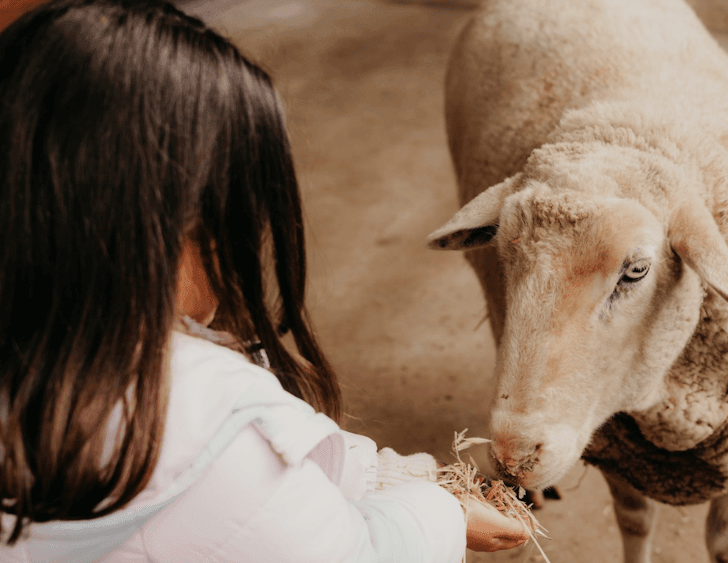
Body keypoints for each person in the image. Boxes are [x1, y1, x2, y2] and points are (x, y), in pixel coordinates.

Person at [0, 1, 531, 561]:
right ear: (177, 229)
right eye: (237, 220)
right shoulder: (218, 445)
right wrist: (443, 509)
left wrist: (387, 473)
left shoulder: (51, 347)